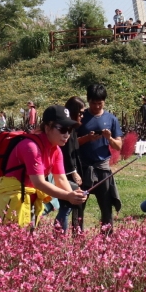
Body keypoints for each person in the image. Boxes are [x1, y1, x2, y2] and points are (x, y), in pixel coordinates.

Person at [0, 105, 87, 228]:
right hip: (11, 200)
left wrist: (73, 197)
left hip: (30, 199)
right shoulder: (31, 147)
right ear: (47, 128)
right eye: (62, 129)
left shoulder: (56, 149)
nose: (67, 134)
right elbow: (39, 183)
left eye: (70, 130)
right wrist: (68, 196)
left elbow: (61, 179)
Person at [77, 84, 123, 233]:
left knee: (106, 205)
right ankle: (77, 236)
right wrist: (87, 138)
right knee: (79, 205)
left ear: (104, 101)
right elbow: (71, 142)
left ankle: (107, 236)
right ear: (88, 101)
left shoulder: (111, 119)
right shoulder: (80, 117)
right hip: (83, 168)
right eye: (93, 103)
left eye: (100, 103)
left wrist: (109, 138)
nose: (96, 106)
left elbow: (118, 146)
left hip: (102, 168)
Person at [55, 97, 86, 233]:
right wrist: (73, 172)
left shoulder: (72, 130)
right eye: (80, 113)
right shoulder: (67, 130)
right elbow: (65, 154)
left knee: (67, 207)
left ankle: (67, 233)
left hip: (69, 172)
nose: (82, 116)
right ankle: (59, 235)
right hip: (66, 174)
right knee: (66, 207)